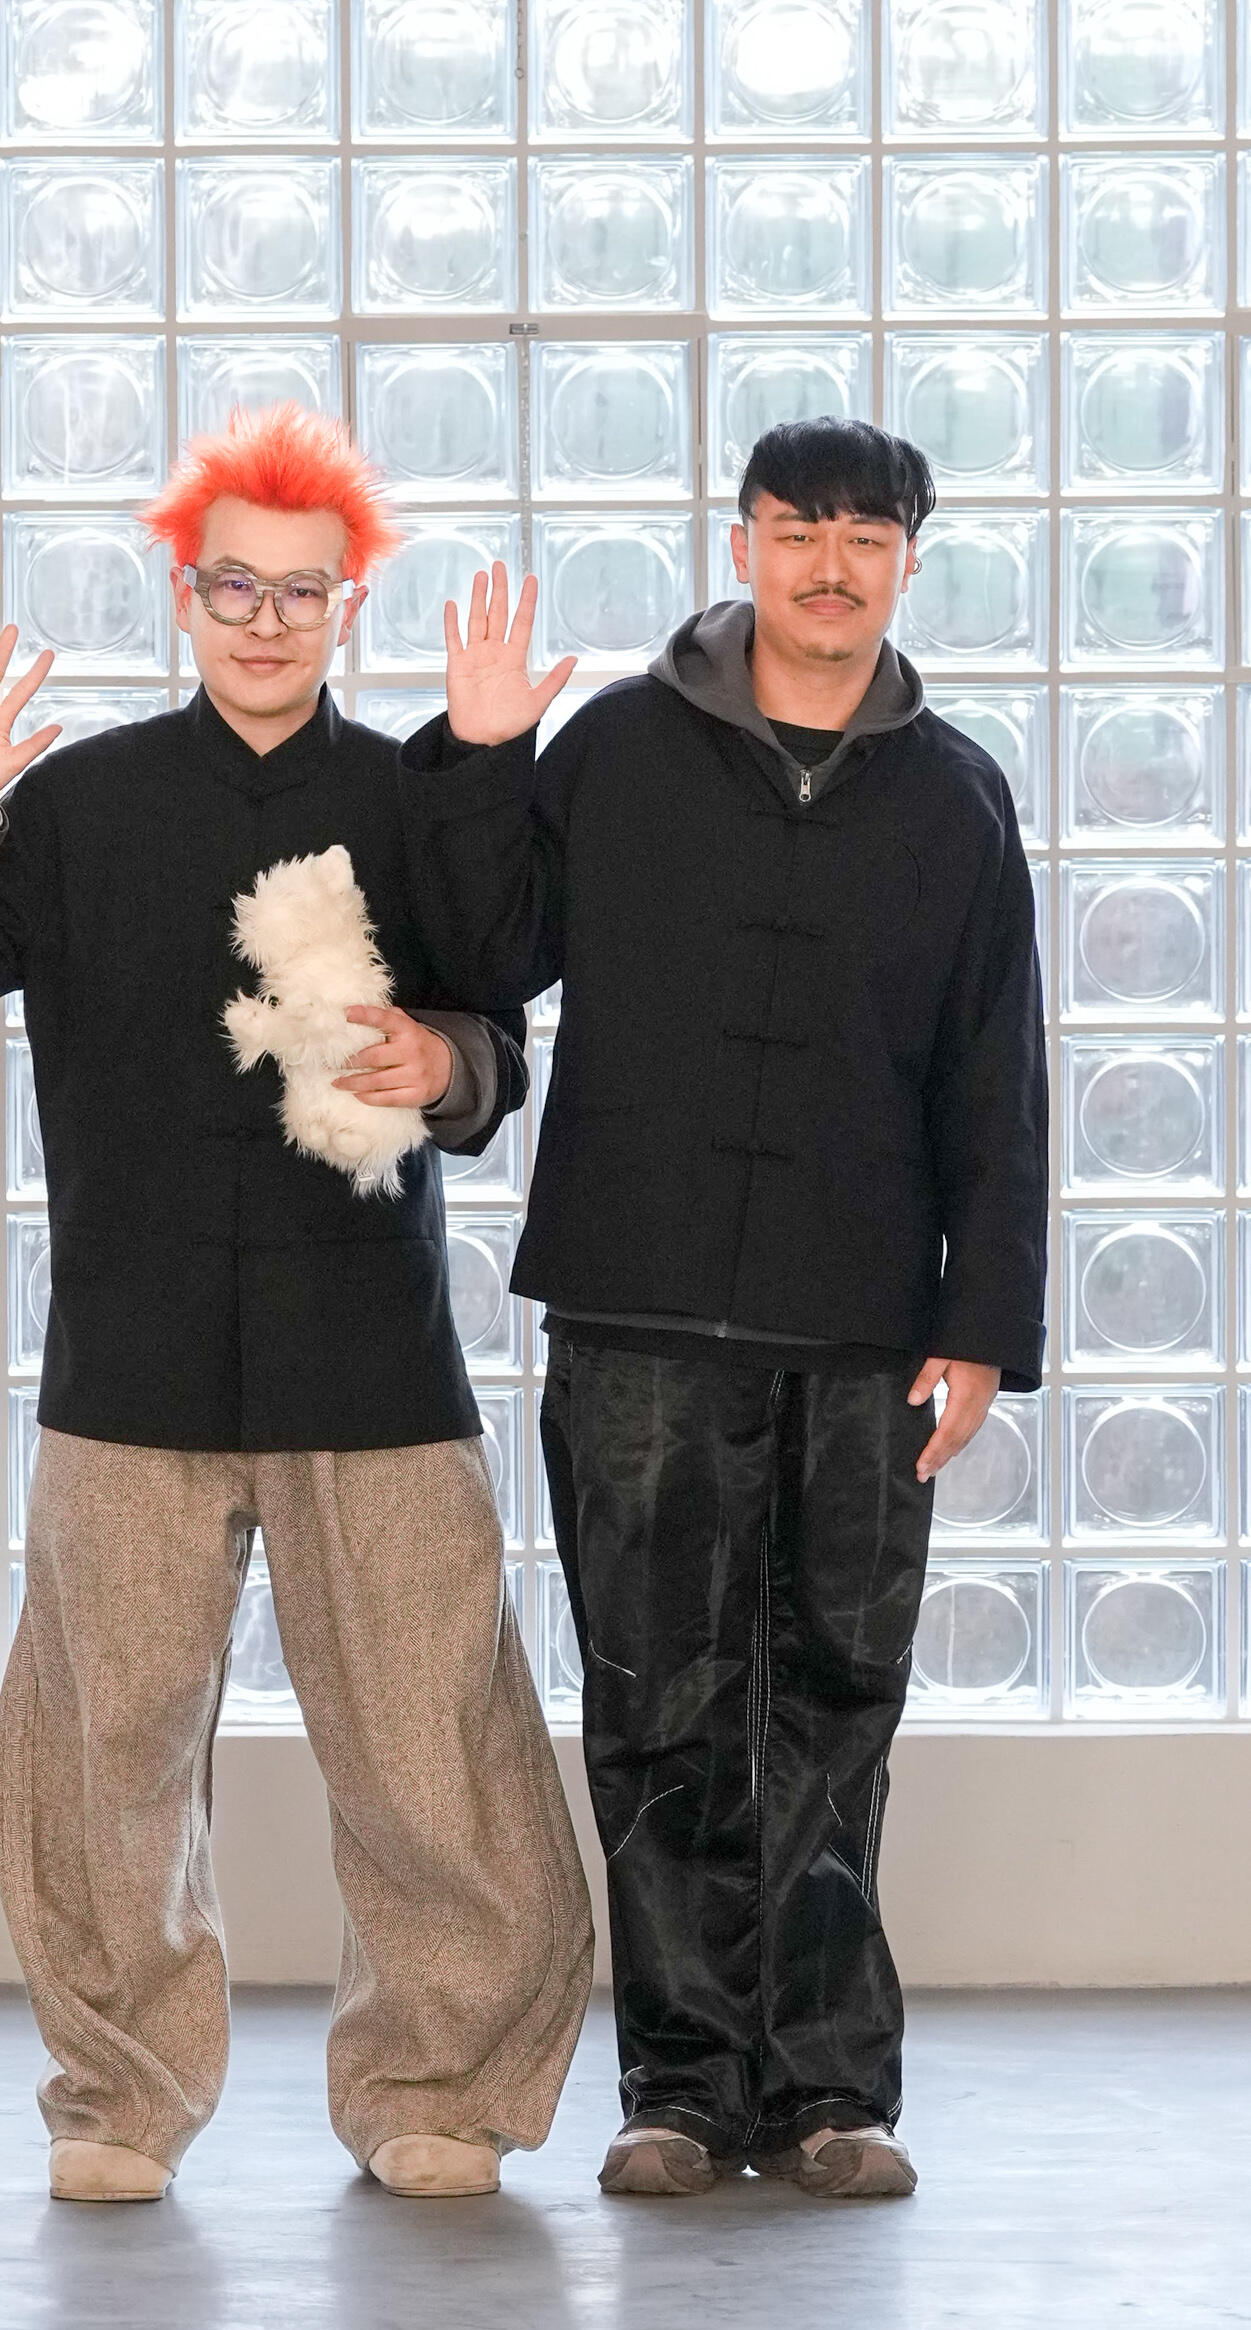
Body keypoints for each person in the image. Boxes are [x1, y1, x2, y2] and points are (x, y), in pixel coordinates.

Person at [0, 403, 593, 2205]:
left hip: (373, 1352)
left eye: (302, 592)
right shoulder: (78, 802)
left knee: (431, 1741)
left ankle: (438, 2082)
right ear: (183, 596)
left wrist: (452, 1051)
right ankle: (118, 2100)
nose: (266, 621)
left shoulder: (411, 797)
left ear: (348, 607)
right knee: (104, 1752)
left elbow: (501, 1008)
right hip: (131, 1351)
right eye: (233, 588)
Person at [400, 418, 1047, 2200]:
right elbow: (485, 952)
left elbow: (997, 1074)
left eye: (868, 536)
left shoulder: (959, 795)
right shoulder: (620, 746)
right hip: (639, 1310)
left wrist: (982, 1323)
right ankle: (680, 2089)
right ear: (744, 540)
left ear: (906, 561)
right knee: (656, 1700)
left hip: (867, 1325)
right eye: (799, 528)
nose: (831, 565)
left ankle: (832, 2091)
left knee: (841, 1704)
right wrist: (480, 752)